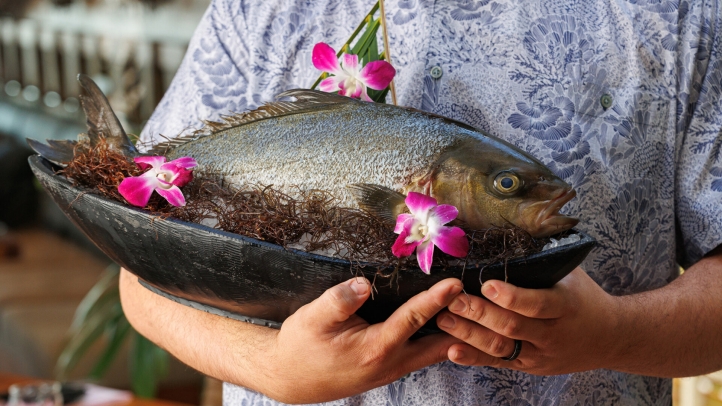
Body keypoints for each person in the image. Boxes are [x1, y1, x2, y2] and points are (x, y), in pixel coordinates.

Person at [121, 0, 722, 404]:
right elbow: (139, 266)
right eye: (510, 186)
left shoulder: (683, 14)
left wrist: (615, 334)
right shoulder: (259, 9)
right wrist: (272, 365)